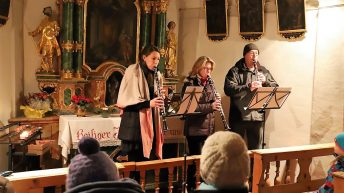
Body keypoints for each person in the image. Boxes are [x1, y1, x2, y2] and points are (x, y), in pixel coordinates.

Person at [224, 43, 278, 150]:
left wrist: (265, 81)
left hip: (257, 117)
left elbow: (275, 87)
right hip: (238, 117)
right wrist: (248, 87)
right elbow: (228, 89)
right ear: (245, 55)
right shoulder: (234, 71)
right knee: (236, 151)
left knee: (256, 152)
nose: (254, 57)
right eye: (251, 53)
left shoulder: (263, 70)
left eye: (256, 54)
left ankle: (254, 167)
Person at [116, 45, 165, 162]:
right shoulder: (133, 71)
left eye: (158, 59)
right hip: (133, 126)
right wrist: (149, 103)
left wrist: (160, 97)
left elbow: (151, 98)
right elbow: (128, 101)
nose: (156, 62)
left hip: (149, 122)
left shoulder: (156, 74)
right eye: (153, 58)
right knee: (132, 164)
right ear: (144, 57)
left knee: (144, 163)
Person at [181, 56, 221, 190]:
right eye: (206, 68)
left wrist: (215, 102)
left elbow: (211, 102)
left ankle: (204, 187)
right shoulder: (190, 83)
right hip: (195, 129)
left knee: (206, 162)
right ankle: (192, 187)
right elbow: (190, 107)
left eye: (210, 69)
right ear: (198, 68)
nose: (209, 71)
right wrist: (211, 106)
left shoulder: (210, 82)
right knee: (195, 162)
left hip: (208, 128)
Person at [29, 6, 61, 73]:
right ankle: (42, 68)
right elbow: (38, 29)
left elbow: (57, 31)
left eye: (50, 11)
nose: (49, 12)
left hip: (51, 41)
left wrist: (55, 32)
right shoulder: (43, 22)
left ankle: (51, 68)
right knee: (43, 55)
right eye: (48, 11)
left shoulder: (54, 22)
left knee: (50, 55)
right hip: (44, 41)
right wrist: (32, 33)